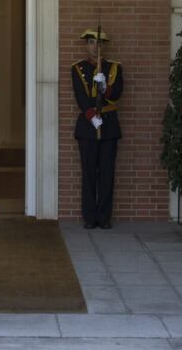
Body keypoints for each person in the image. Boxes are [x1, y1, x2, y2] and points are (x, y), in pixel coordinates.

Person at [72, 29, 123, 229]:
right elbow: (80, 96)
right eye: (91, 42)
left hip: (109, 125)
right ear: (87, 45)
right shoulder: (78, 68)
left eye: (99, 43)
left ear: (104, 46)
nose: (95, 46)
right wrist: (92, 116)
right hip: (87, 127)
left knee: (107, 174)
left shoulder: (115, 68)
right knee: (88, 174)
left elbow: (117, 93)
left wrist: (104, 88)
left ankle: (104, 218)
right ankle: (89, 217)